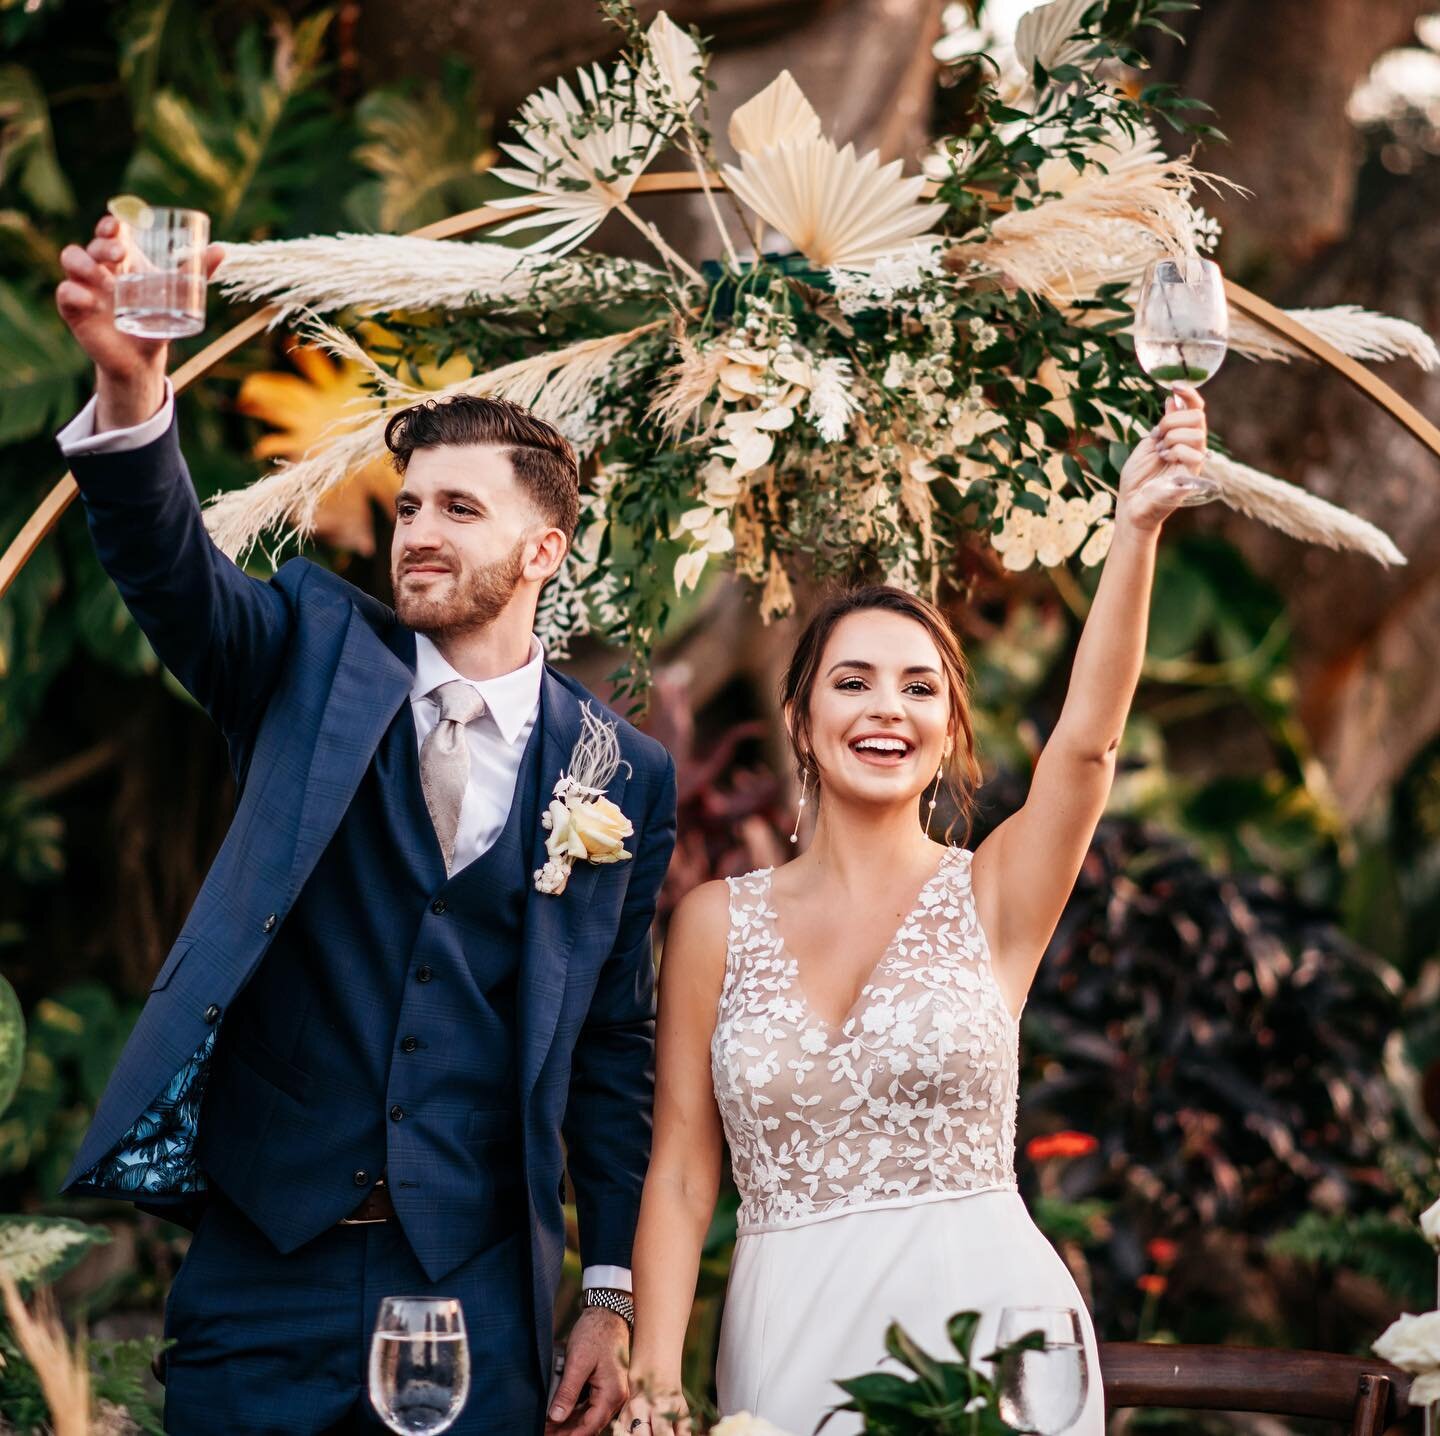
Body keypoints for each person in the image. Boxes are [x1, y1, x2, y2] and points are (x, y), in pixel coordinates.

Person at [53, 214, 677, 1436]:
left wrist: (606, 1290)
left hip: (476, 1284)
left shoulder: (624, 772)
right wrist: (132, 394)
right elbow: (172, 570)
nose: (421, 532)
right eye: (407, 507)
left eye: (459, 507)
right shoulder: (308, 654)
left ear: (544, 548)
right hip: (264, 1266)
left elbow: (612, 1045)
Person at [618, 388, 1211, 1435]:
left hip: (990, 1327)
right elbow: (678, 1169)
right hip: (786, 1335)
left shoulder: (994, 889)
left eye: (920, 688)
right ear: (800, 722)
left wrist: (1137, 529)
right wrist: (659, 1383)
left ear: (947, 730)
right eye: (854, 682)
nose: (888, 706)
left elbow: (1086, 746)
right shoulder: (713, 920)